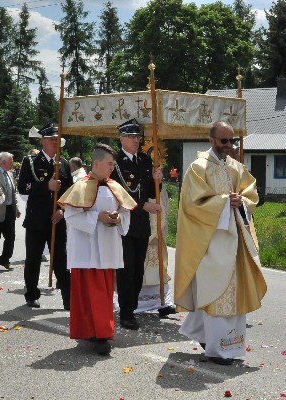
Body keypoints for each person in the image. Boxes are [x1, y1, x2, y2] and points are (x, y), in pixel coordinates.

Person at [175, 121, 267, 365]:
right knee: (215, 292)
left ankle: (221, 342)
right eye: (224, 140)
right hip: (211, 241)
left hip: (234, 239)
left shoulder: (236, 167)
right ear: (211, 140)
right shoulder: (198, 167)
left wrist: (241, 202)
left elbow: (251, 194)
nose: (229, 145)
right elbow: (193, 205)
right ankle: (217, 349)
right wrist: (226, 201)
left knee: (233, 294)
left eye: (232, 140)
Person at [58, 144, 136, 355]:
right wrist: (96, 217)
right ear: (96, 163)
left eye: (113, 164)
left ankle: (103, 333)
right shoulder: (80, 186)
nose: (112, 168)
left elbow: (125, 212)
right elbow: (71, 216)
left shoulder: (114, 186)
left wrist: (119, 218)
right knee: (86, 293)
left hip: (108, 246)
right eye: (109, 164)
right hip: (86, 248)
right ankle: (89, 331)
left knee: (104, 293)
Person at [109, 118, 162, 330]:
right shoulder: (114, 161)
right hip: (124, 222)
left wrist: (158, 180)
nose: (135, 140)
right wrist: (143, 206)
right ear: (121, 138)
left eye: (137, 137)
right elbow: (116, 193)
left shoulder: (144, 160)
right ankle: (126, 312)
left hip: (141, 224)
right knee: (126, 268)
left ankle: (132, 306)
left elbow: (149, 191)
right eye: (130, 136)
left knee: (138, 268)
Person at [17, 123, 73, 309]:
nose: (56, 142)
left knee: (61, 260)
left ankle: (68, 299)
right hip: (36, 219)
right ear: (43, 141)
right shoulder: (31, 162)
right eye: (52, 139)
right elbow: (23, 186)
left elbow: (70, 192)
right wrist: (45, 186)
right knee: (33, 259)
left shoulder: (64, 164)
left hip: (57, 219)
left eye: (58, 139)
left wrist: (63, 209)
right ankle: (31, 294)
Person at [134, 187, 176, 317]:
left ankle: (162, 301)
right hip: (143, 209)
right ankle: (135, 303)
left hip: (157, 201)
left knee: (158, 260)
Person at [0, 151, 20, 271]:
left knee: (11, 237)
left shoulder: (10, 174)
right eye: (10, 161)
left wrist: (16, 208)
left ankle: (5, 259)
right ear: (3, 162)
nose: (12, 163)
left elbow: (13, 194)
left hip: (9, 210)